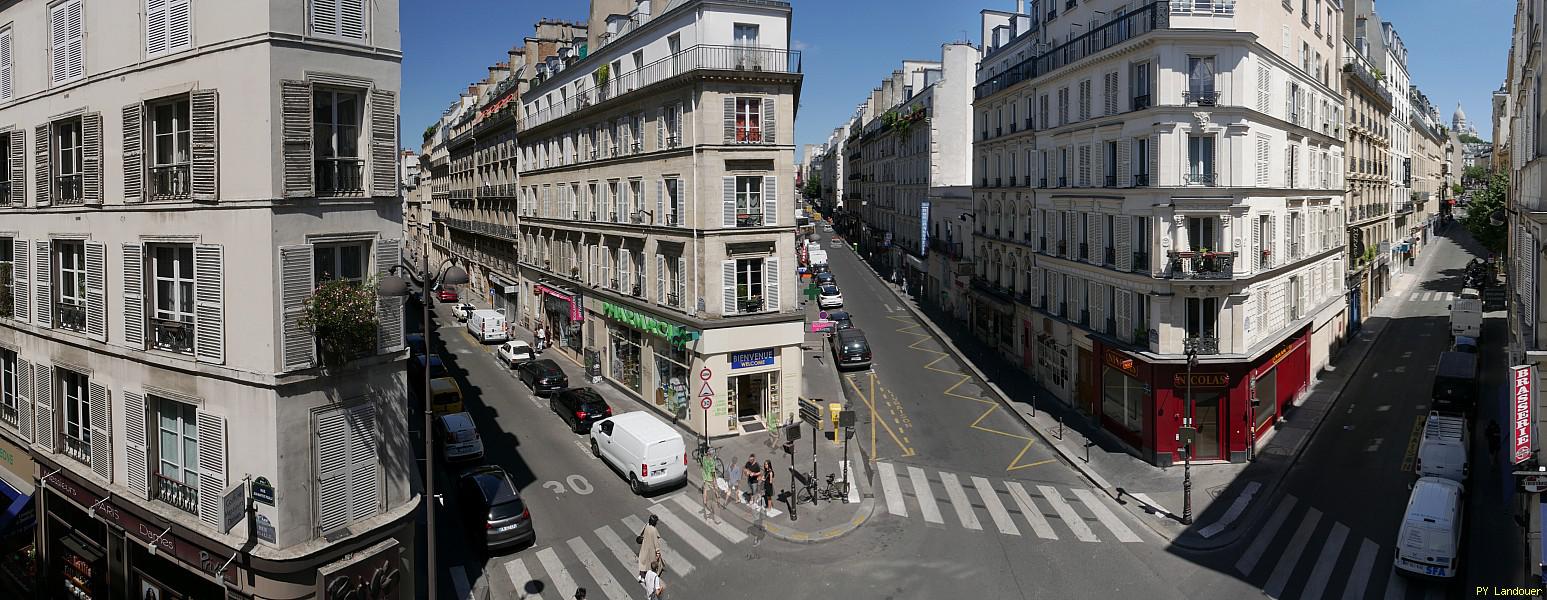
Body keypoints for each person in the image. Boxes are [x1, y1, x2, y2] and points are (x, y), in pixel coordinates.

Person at [635, 514, 661, 581]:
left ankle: (641, 576)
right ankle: (650, 577)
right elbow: (656, 542)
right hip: (651, 548)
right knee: (650, 562)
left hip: (644, 545)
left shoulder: (647, 525)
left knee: (643, 560)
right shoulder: (654, 530)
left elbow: (641, 532)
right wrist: (658, 552)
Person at [700, 450, 719, 522]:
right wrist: (715, 481)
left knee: (705, 489)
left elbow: (703, 466)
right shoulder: (711, 461)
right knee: (714, 488)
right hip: (710, 478)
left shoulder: (704, 458)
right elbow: (713, 472)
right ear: (711, 454)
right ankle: (717, 500)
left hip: (705, 477)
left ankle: (704, 502)